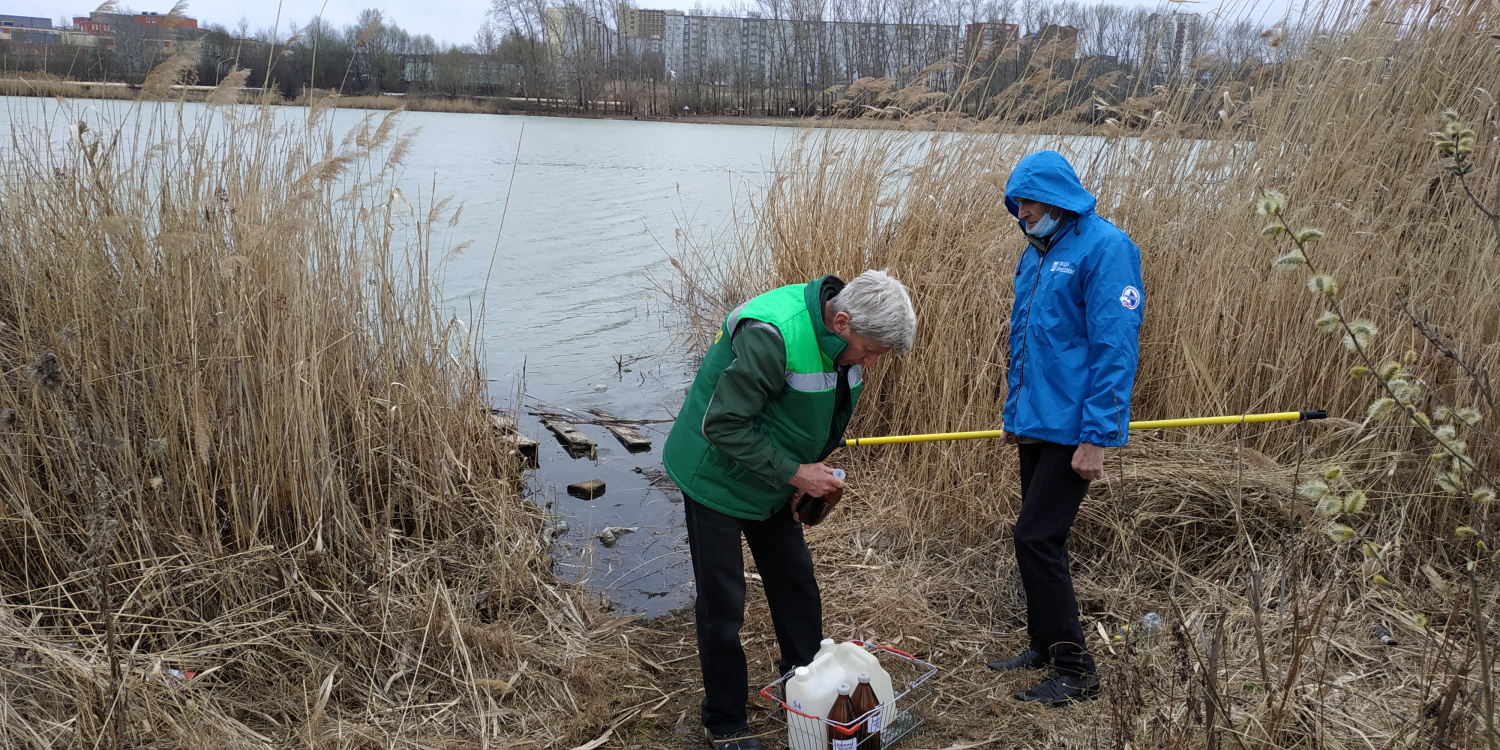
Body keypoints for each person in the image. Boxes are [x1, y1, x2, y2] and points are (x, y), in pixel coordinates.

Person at [662, 270, 917, 749]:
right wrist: (797, 472)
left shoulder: (847, 341)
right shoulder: (774, 334)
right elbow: (723, 424)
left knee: (796, 583)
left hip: (771, 473)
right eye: (870, 351)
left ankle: (806, 692)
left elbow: (820, 413)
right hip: (712, 472)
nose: (871, 362)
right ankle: (724, 723)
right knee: (723, 604)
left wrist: (808, 474)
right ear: (841, 322)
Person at [986, 150, 1144, 706]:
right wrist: (1014, 415)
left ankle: (1077, 670)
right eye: (1017, 204)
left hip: (1075, 428)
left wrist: (1097, 437)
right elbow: (1025, 340)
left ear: (1056, 198)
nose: (1021, 213)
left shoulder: (1106, 248)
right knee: (1039, 539)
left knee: (1035, 538)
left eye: (1028, 202)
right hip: (1038, 423)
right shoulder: (1036, 253)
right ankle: (1045, 645)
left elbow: (1115, 349)